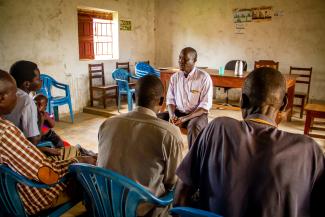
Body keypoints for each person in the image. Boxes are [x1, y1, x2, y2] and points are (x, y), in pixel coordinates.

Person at [174, 67, 325, 217]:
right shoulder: (308, 150)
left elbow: (180, 196)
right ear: (284, 103)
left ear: (242, 100)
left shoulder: (218, 129)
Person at [0, 69, 96, 215]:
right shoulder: (5, 132)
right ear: (2, 98)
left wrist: (38, 150)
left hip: (8, 192)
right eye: (15, 94)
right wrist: (78, 160)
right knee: (91, 168)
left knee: (72, 152)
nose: (17, 97)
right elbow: (47, 174)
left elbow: (15, 155)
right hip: (32, 198)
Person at [97, 75, 185, 217]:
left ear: (133, 97)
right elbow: (172, 182)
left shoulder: (107, 124)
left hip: (105, 204)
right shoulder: (169, 133)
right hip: (142, 211)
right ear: (162, 101)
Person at [157, 47, 213, 148]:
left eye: (185, 59)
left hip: (197, 115)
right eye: (179, 58)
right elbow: (170, 100)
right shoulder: (175, 77)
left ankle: (194, 159)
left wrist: (184, 119)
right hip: (178, 113)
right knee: (156, 119)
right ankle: (161, 153)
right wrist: (171, 115)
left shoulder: (204, 78)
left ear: (194, 61)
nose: (181, 62)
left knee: (194, 126)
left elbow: (204, 107)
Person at [4, 60, 43, 145]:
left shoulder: (7, 94)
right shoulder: (27, 102)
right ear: (27, 84)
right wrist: (41, 118)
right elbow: (33, 141)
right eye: (38, 79)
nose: (41, 81)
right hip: (18, 147)